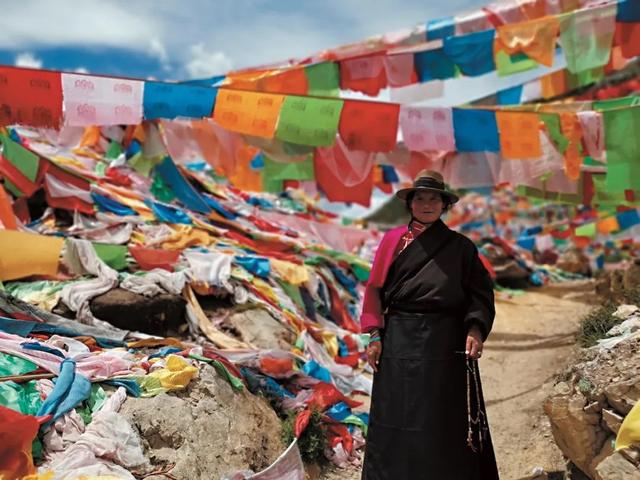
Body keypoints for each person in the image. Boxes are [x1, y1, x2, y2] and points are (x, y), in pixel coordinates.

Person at [361, 170, 499, 479]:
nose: (427, 204)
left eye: (434, 198)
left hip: (445, 340)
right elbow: (374, 289)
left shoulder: (461, 247)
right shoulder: (392, 241)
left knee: (442, 417)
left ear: (444, 204)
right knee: (397, 415)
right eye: (420, 198)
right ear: (410, 204)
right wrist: (374, 335)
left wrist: (475, 329)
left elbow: (480, 294)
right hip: (398, 338)